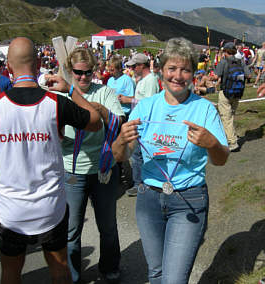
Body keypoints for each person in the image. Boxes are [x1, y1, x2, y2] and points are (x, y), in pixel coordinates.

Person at [112, 37, 229, 284]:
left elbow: (221, 160)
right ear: (161, 71)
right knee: (156, 273)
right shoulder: (145, 107)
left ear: (193, 74)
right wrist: (121, 140)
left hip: (188, 199)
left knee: (173, 279)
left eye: (185, 69)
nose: (178, 75)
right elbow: (120, 155)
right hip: (149, 198)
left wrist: (212, 144)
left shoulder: (204, 109)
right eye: (172, 68)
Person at [0, 37, 102, 284]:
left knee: (10, 273)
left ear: (8, 67)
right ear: (39, 63)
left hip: (10, 210)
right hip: (50, 208)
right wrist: (71, 89)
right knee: (59, 272)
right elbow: (95, 121)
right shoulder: (55, 103)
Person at [61, 47, 125, 284]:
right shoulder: (62, 95)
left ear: (95, 71)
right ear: (70, 70)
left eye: (88, 73)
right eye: (78, 73)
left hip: (103, 169)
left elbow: (117, 122)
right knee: (71, 230)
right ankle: (72, 275)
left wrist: (103, 111)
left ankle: (110, 268)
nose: (83, 78)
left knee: (107, 225)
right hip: (72, 170)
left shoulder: (105, 92)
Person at [120, 53, 160, 197]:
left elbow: (149, 103)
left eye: (133, 66)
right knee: (138, 155)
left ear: (141, 65)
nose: (131, 69)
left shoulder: (150, 80)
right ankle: (142, 183)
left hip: (144, 124)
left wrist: (128, 100)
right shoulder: (145, 79)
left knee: (138, 155)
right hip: (140, 123)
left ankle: (140, 184)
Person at [214, 42, 250, 152]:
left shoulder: (223, 62)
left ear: (225, 52)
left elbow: (216, 76)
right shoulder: (241, 62)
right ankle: (231, 136)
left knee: (226, 118)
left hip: (225, 92)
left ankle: (232, 143)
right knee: (231, 117)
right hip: (237, 92)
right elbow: (248, 75)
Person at [107, 55, 135, 120]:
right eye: (109, 70)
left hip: (124, 114)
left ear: (119, 69)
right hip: (112, 113)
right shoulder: (110, 80)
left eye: (112, 70)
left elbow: (134, 98)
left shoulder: (127, 80)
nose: (110, 72)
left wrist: (123, 99)